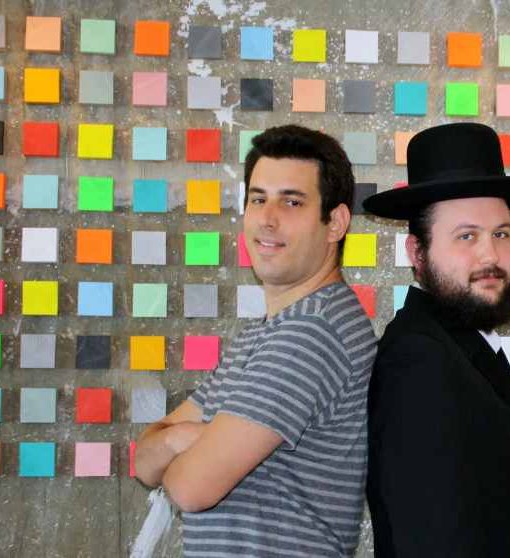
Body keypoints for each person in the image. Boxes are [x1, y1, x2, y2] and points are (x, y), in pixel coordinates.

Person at [134, 125, 377, 557]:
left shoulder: (311, 332)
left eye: (292, 201)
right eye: (258, 199)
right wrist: (178, 439)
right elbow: (143, 462)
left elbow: (191, 488)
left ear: (336, 223)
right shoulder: (266, 332)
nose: (268, 218)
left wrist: (194, 444)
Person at [363, 123, 510, 557]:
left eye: (501, 234)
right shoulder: (418, 360)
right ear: (417, 253)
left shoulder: (465, 346)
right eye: (466, 236)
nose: (490, 255)